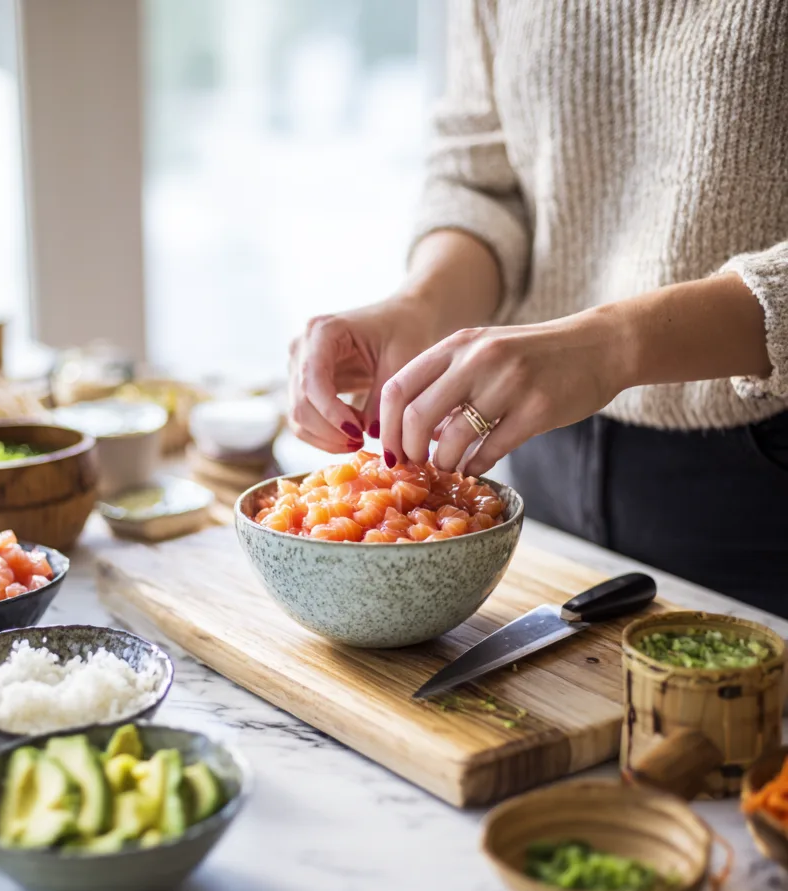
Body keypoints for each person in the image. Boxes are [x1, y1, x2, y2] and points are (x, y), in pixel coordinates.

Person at [288, 1, 788, 616]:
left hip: (764, 480)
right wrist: (419, 307)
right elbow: (485, 179)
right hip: (532, 449)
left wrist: (613, 345)